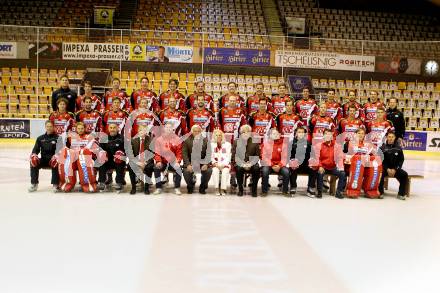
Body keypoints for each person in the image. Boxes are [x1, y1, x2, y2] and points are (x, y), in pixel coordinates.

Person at [310, 128, 346, 198]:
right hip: (323, 166)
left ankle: (339, 192)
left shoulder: (337, 146)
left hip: (333, 167)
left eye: (329, 134)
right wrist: (320, 166)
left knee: (342, 173)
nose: (328, 135)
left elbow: (340, 157)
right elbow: (317, 157)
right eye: (326, 134)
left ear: (332, 136)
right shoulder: (318, 145)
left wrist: (341, 167)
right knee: (320, 173)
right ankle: (319, 192)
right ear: (323, 135)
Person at [28, 120, 60, 192]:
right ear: (45, 127)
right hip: (44, 159)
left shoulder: (58, 138)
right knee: (33, 163)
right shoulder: (40, 138)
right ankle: (34, 184)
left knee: (56, 163)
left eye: (51, 126)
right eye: (47, 126)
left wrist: (56, 156)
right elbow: (35, 150)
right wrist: (34, 156)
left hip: (53, 159)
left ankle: (55, 184)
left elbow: (60, 150)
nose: (49, 128)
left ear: (54, 127)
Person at [152, 122, 183, 195]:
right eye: (167, 127)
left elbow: (179, 153)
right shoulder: (159, 140)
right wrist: (158, 161)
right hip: (163, 162)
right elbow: (157, 152)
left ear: (173, 129)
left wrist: (177, 162)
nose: (168, 129)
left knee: (178, 169)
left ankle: (177, 188)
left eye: (170, 128)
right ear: (164, 129)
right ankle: (158, 187)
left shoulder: (177, 139)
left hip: (173, 162)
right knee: (156, 168)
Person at [182, 125, 212, 194]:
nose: (197, 133)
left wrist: (206, 164)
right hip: (191, 163)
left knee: (208, 171)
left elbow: (209, 154)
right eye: (195, 131)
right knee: (186, 171)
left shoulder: (206, 140)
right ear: (192, 132)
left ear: (201, 132)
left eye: (199, 131)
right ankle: (190, 186)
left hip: (202, 163)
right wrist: (188, 165)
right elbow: (184, 154)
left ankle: (203, 187)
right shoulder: (187, 141)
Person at [231, 125, 260, 197]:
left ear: (250, 133)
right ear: (241, 133)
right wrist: (243, 164)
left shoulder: (255, 142)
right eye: (244, 132)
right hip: (240, 162)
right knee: (239, 168)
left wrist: (250, 163)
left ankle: (254, 189)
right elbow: (234, 156)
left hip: (252, 163)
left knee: (256, 168)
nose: (246, 134)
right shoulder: (236, 142)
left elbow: (257, 156)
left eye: (248, 132)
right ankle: (240, 189)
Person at [379, 132, 408, 200]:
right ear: (387, 138)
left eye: (392, 137)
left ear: (395, 138)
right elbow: (381, 161)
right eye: (389, 137)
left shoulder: (399, 148)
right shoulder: (382, 148)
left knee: (404, 174)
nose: (391, 138)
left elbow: (401, 160)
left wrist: (395, 169)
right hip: (385, 169)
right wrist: (387, 169)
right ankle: (380, 192)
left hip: (395, 169)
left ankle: (401, 194)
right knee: (380, 174)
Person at [260, 129, 290, 196]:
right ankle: (264, 191)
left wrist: (279, 165)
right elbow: (263, 157)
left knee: (286, 172)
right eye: (274, 134)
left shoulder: (284, 145)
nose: (276, 135)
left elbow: (285, 158)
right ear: (270, 135)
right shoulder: (265, 144)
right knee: (264, 171)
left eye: (277, 134)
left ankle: (285, 191)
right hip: (268, 164)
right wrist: (272, 165)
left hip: (280, 165)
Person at [288, 127, 317, 196]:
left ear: (304, 134)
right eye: (299, 132)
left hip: (305, 165)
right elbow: (288, 155)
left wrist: (311, 161)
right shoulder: (291, 143)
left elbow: (312, 155)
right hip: (295, 164)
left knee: (313, 168)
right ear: (296, 133)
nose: (300, 134)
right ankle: (293, 186)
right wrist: (292, 160)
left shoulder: (308, 143)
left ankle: (310, 187)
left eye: (302, 132)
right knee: (293, 167)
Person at [98, 123, 126, 191]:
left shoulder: (122, 138)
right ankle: (102, 182)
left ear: (117, 129)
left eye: (114, 128)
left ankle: (119, 182)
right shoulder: (104, 138)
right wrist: (103, 155)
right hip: (108, 160)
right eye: (111, 128)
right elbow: (100, 150)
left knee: (120, 163)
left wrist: (122, 155)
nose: (112, 129)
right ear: (108, 129)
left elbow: (126, 151)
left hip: (118, 160)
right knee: (101, 163)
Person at [127, 125, 154, 194]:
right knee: (130, 166)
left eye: (145, 131)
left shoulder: (150, 140)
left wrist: (145, 162)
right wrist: (137, 163)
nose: (143, 132)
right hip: (136, 161)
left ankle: (146, 187)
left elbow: (151, 154)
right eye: (141, 130)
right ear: (138, 131)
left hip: (146, 161)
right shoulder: (133, 140)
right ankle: (133, 187)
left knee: (149, 167)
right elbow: (130, 154)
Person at [210, 129, 232, 195]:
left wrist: (223, 164)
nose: (218, 136)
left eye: (220, 135)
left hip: (224, 164)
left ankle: (223, 189)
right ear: (214, 136)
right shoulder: (211, 145)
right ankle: (216, 189)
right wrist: (215, 163)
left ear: (222, 136)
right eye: (216, 135)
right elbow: (210, 156)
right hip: (215, 164)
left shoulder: (227, 144)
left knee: (225, 171)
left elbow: (228, 156)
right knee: (215, 171)